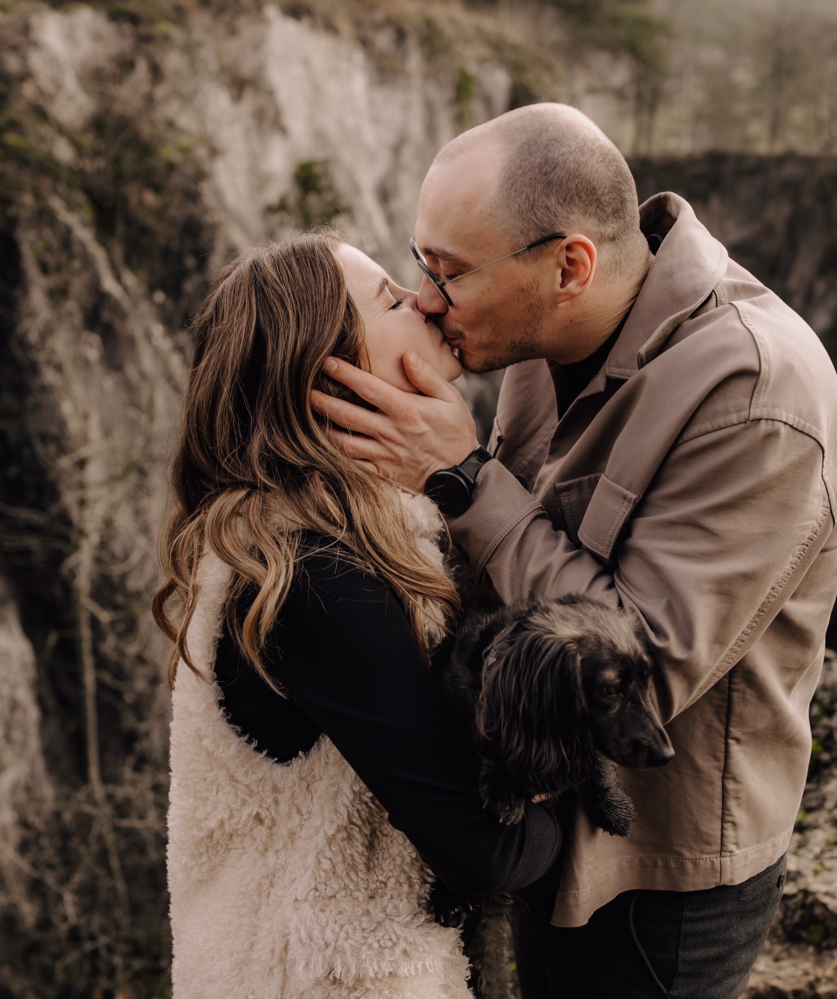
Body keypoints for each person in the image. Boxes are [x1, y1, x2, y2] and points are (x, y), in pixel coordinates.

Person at [310, 104, 837, 998]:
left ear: (570, 264)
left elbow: (637, 666)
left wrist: (459, 477)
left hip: (655, 882)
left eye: (448, 273)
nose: (424, 300)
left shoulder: (761, 393)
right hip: (526, 814)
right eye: (421, 265)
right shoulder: (537, 333)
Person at [152, 233, 561, 999]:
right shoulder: (315, 577)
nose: (427, 301)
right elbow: (487, 852)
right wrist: (560, 796)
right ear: (331, 374)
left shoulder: (293, 543)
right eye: (392, 300)